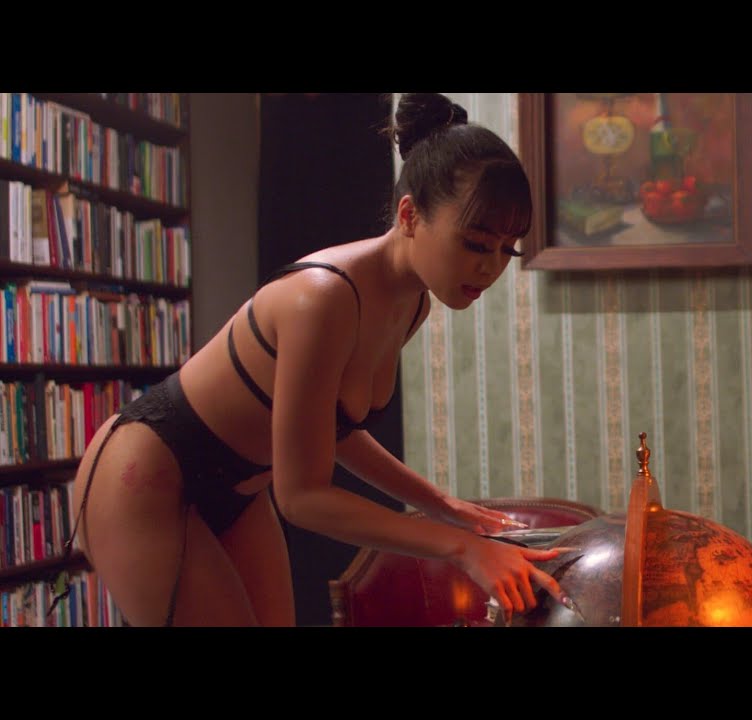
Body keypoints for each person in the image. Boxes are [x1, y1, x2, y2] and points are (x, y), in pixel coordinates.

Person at [62, 93, 566, 626]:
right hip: (147, 475)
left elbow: (332, 429)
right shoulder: (324, 297)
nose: (491, 268)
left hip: (238, 487)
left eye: (508, 249)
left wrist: (445, 505)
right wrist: (461, 547)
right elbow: (301, 496)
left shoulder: (412, 302)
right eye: (476, 244)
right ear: (410, 215)